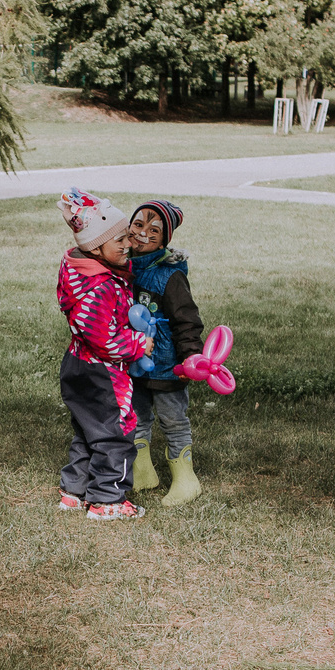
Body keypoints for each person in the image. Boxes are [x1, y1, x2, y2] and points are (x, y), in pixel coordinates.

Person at [53, 187, 155, 522]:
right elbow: (104, 339)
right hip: (102, 372)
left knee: (88, 428)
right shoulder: (103, 287)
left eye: (127, 236)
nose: (128, 245)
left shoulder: (80, 271)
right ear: (97, 246)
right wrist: (139, 345)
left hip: (77, 365)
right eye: (120, 240)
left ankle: (75, 491)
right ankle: (108, 499)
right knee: (115, 432)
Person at [125, 200, 207, 506]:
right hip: (135, 364)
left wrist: (190, 357)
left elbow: (187, 319)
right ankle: (143, 473)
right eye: (138, 224)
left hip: (167, 366)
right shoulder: (124, 266)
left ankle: (186, 480)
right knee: (136, 417)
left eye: (154, 229)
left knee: (173, 420)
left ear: (165, 239)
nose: (143, 233)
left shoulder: (170, 276)